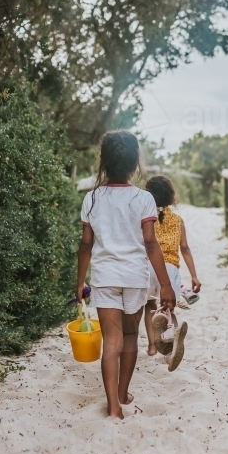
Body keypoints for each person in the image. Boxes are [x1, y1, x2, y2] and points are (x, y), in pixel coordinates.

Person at [76, 131, 175, 420]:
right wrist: (166, 285)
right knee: (131, 337)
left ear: (104, 163)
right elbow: (150, 243)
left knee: (112, 341)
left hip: (105, 278)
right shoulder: (143, 200)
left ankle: (113, 407)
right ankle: (122, 393)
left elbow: (85, 245)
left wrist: (80, 282)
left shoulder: (91, 199)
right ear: (135, 165)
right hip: (134, 278)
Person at [143, 176, 202, 371]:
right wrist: (194, 275)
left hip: (148, 266)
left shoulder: (144, 218)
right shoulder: (177, 220)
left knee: (149, 306)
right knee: (168, 308)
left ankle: (152, 346)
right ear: (170, 197)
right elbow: (185, 248)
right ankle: (170, 344)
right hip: (170, 269)